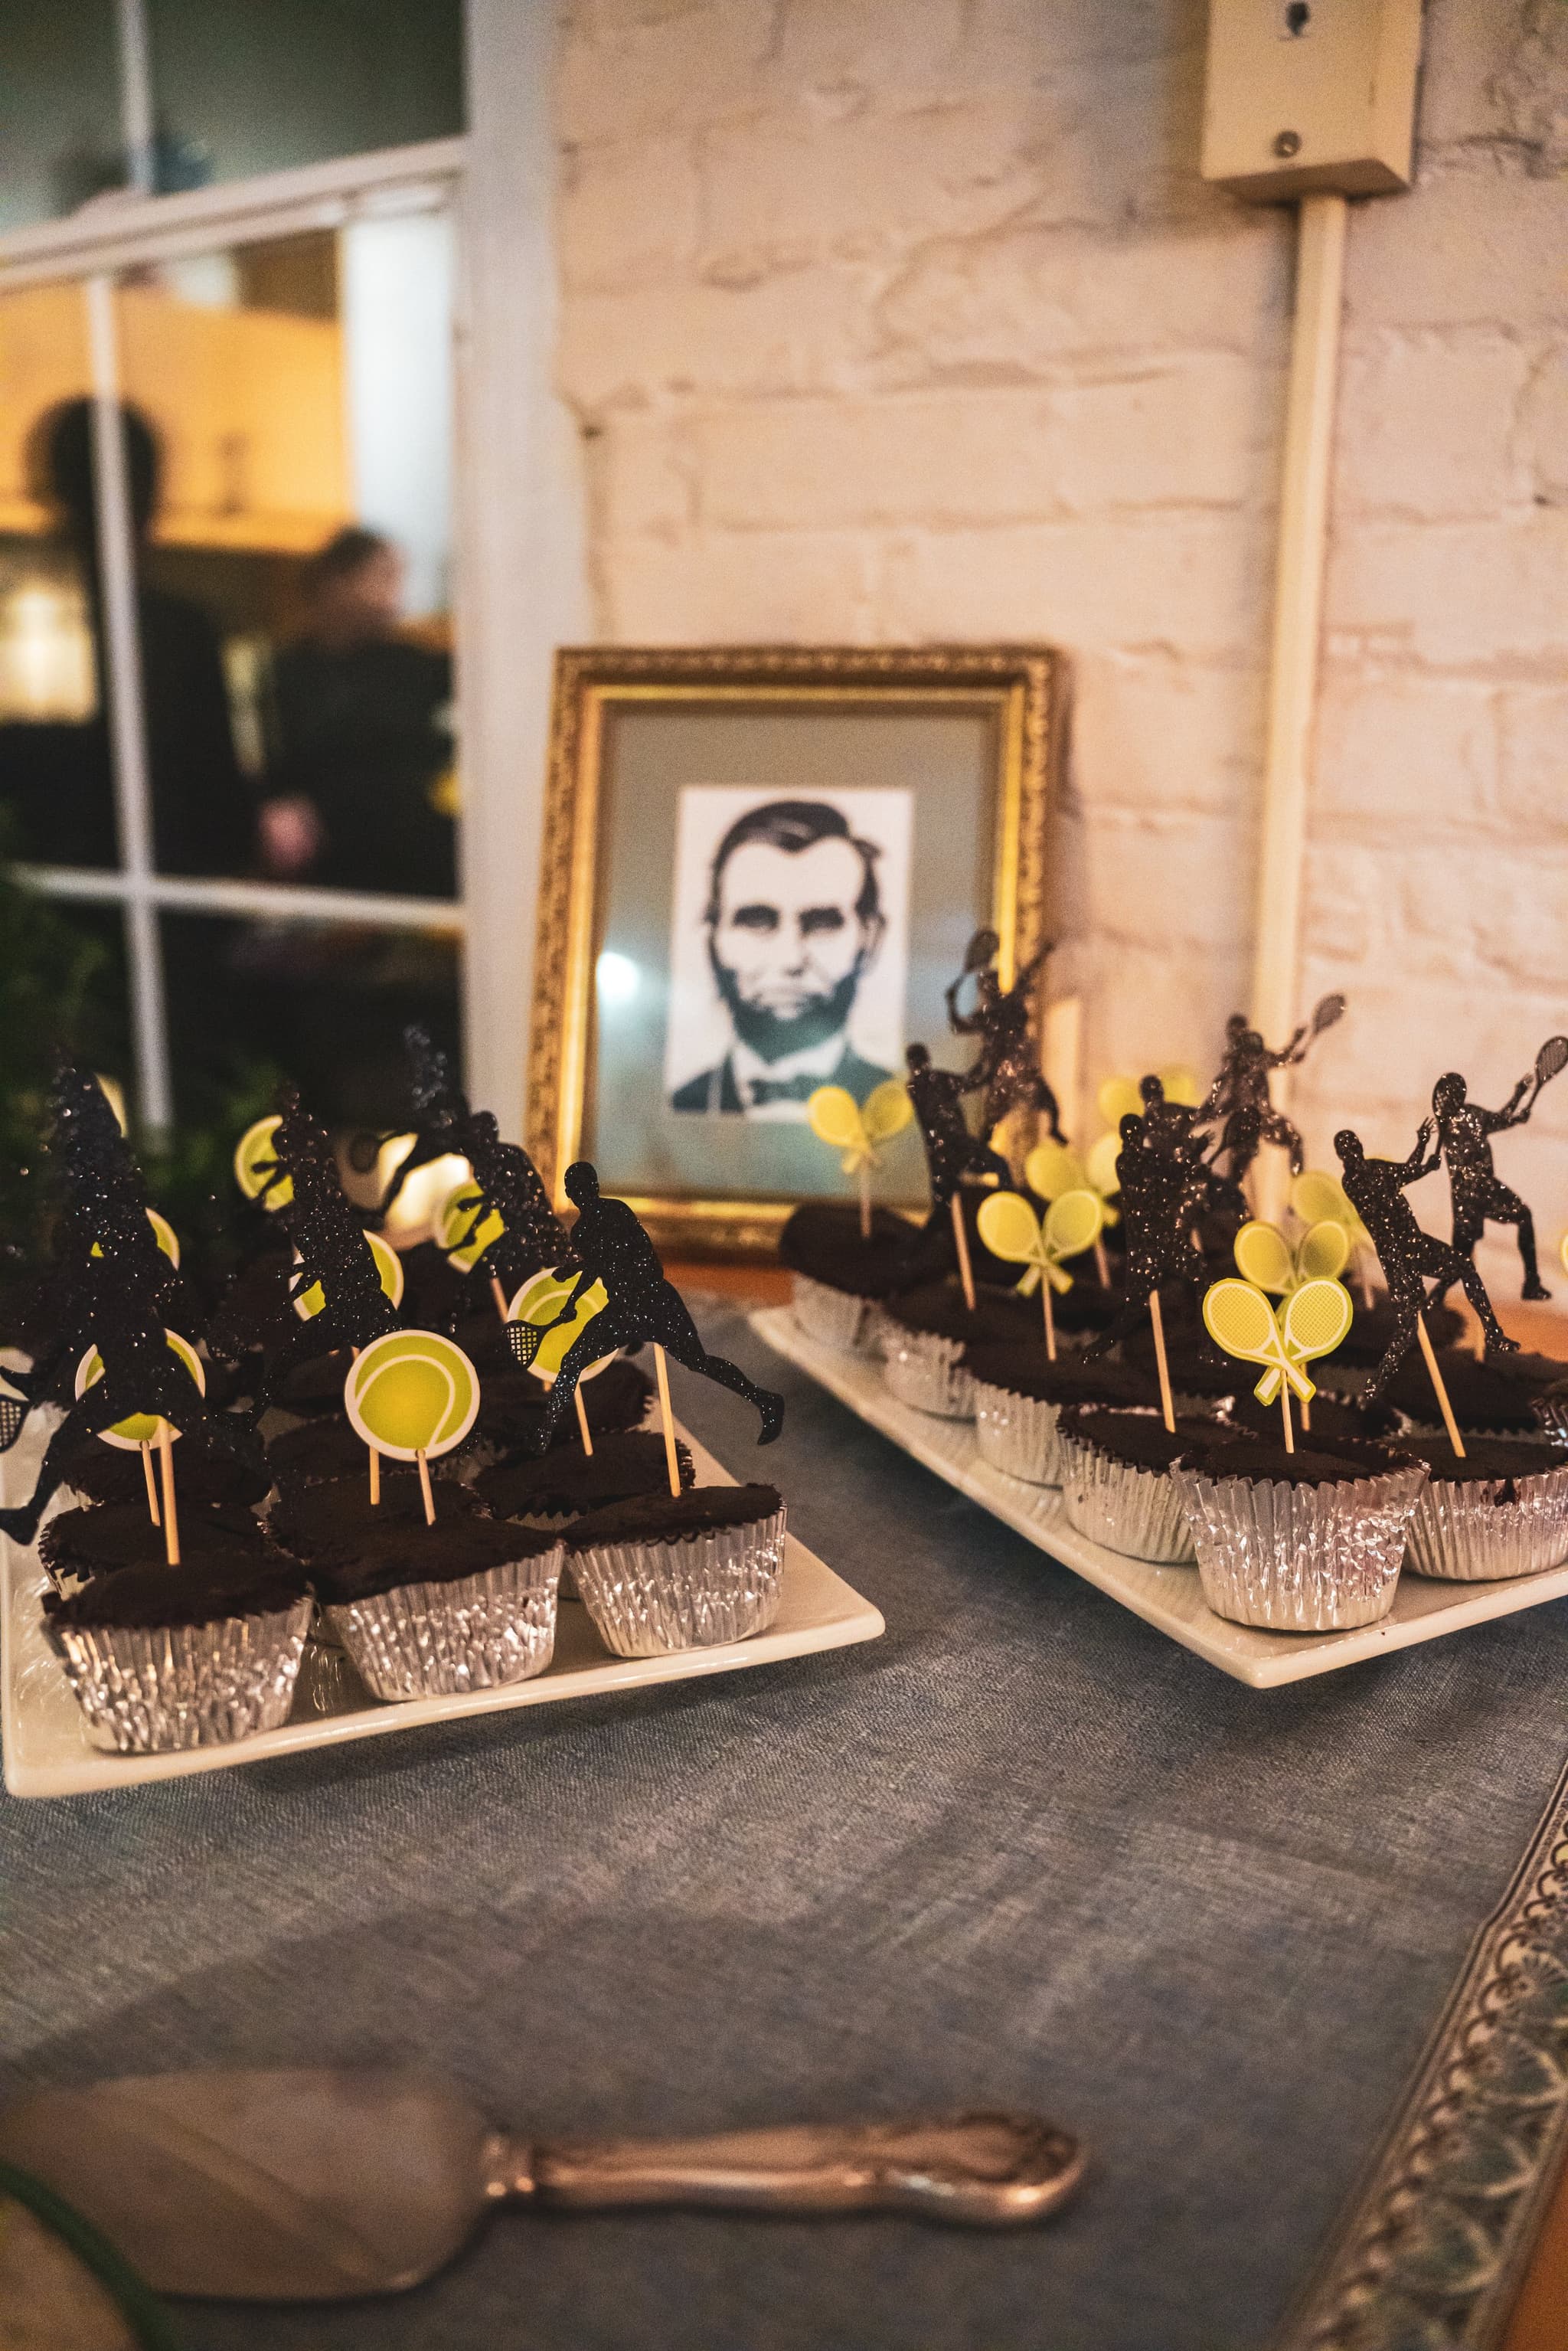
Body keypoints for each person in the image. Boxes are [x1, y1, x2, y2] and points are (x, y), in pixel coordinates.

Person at [0, 399, 250, 878]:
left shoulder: (18, 624)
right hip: (160, 906)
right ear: (153, 492)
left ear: (47, 491)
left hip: (38, 909)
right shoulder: (179, 630)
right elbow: (222, 817)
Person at [515, 1162, 784, 1450]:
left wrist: (578, 1269)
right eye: (573, 1189)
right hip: (620, 1308)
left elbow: (632, 1254)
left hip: (655, 1300)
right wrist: (572, 1299)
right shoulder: (580, 1232)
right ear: (569, 1193)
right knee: (571, 1361)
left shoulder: (616, 1211)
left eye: (584, 1187)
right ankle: (544, 1434)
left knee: (697, 1361)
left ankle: (766, 1400)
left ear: (595, 1186)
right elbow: (598, 1269)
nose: (579, 1194)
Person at [259, 527, 456, 900]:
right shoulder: (288, 670)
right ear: (337, 582)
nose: (395, 597)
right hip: (330, 860)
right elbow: (282, 764)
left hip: (413, 853)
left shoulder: (416, 664)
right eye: (382, 577)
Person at [671, 799, 894, 1117]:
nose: (790, 960)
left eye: (821, 924)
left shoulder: (906, 1110)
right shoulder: (682, 1104)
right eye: (757, 922)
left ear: (871, 940)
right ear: (713, 941)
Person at [1335, 1123, 1515, 1397]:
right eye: (1348, 1149)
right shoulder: (1359, 1179)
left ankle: (1491, 1331)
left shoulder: (1369, 1170)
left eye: (1354, 1145)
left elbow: (1408, 1171)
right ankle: (1376, 1383)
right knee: (1409, 1327)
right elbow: (1408, 1172)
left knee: (1464, 1267)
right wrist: (1425, 1160)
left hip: (1413, 1243)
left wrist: (1421, 1146)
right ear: (1343, 1156)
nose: (1354, 1151)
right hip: (1400, 1253)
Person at [1429, 1070, 1550, 1303]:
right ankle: (1431, 1302)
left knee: (1522, 1217)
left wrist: (1518, 1098)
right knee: (1462, 1258)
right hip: (1474, 1195)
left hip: (1477, 1192)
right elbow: (1503, 1120)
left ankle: (1531, 1283)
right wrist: (1516, 1111)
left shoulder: (1463, 1116)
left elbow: (1500, 1120)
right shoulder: (1453, 1122)